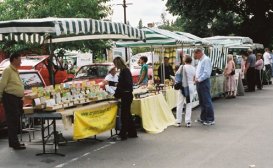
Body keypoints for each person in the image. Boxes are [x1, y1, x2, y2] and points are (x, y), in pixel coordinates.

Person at [0, 53, 25, 150]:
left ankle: (14, 142)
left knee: (15, 121)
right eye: (19, 59)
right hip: (10, 98)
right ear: (14, 59)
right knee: (12, 121)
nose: (21, 61)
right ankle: (14, 143)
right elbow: (2, 84)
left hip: (16, 99)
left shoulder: (15, 70)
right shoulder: (8, 70)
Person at [113, 57, 137, 140]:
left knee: (124, 116)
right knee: (128, 115)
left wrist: (117, 93)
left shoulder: (124, 71)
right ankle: (132, 132)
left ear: (118, 63)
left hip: (126, 95)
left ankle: (123, 135)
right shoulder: (125, 70)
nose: (115, 66)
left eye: (115, 64)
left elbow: (124, 84)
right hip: (127, 94)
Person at [193, 48, 215, 126]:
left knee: (207, 101)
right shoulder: (201, 60)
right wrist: (196, 77)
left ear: (199, 53)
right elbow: (199, 71)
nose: (194, 56)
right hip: (200, 82)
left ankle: (210, 119)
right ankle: (204, 118)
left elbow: (207, 73)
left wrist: (199, 79)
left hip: (203, 82)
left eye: (195, 54)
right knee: (202, 101)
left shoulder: (206, 60)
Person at [175, 55, 196, 127]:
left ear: (184, 60)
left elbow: (177, 75)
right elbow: (194, 78)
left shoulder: (182, 67)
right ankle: (188, 121)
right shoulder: (193, 68)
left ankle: (178, 121)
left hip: (183, 87)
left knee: (180, 104)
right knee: (189, 104)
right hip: (191, 86)